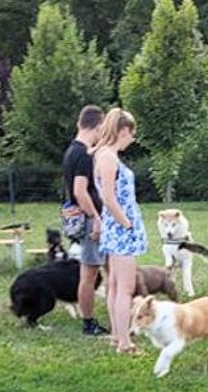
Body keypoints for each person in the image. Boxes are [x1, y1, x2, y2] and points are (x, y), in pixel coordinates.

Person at [93, 107, 149, 354]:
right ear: (123, 130)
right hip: (120, 230)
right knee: (124, 288)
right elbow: (108, 196)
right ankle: (125, 342)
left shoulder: (105, 155)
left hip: (116, 229)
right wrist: (127, 223)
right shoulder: (107, 157)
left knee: (115, 285)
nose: (133, 138)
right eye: (131, 133)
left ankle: (117, 335)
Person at [62, 105, 107, 337]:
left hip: (79, 218)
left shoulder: (71, 151)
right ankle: (88, 323)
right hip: (90, 221)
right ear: (98, 126)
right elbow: (81, 191)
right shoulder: (82, 154)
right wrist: (96, 218)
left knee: (93, 271)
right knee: (89, 275)